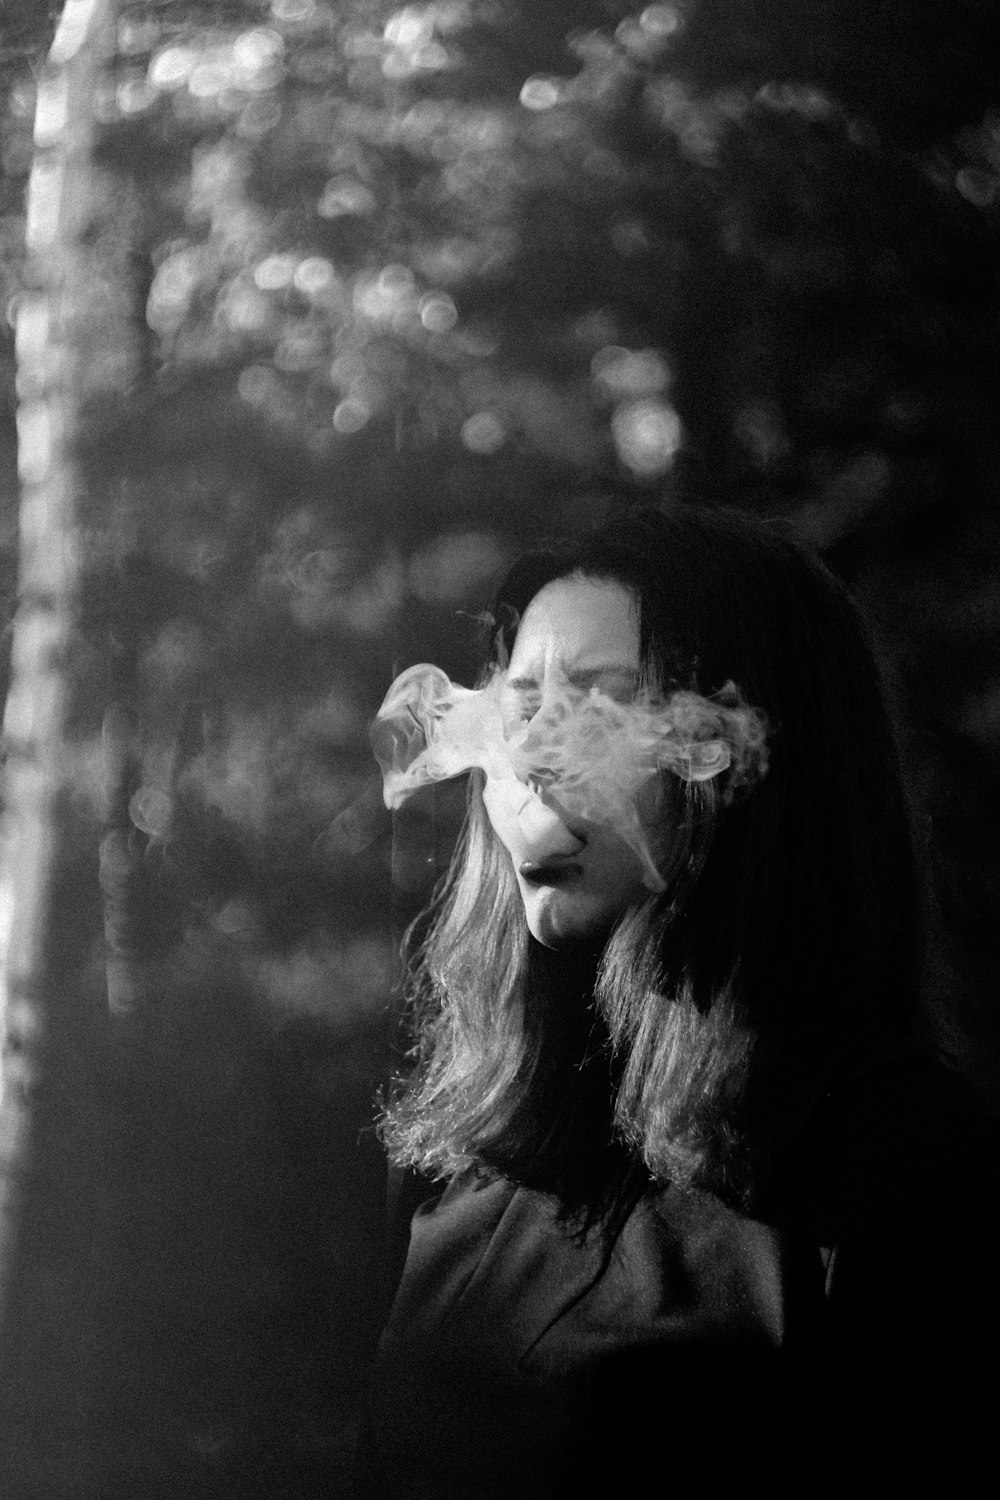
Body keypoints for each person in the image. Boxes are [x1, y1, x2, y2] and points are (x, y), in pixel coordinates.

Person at [358, 502, 996, 1499]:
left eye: (602, 705)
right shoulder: (471, 1154)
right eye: (520, 706)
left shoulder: (908, 1178)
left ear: (743, 761)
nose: (529, 759)